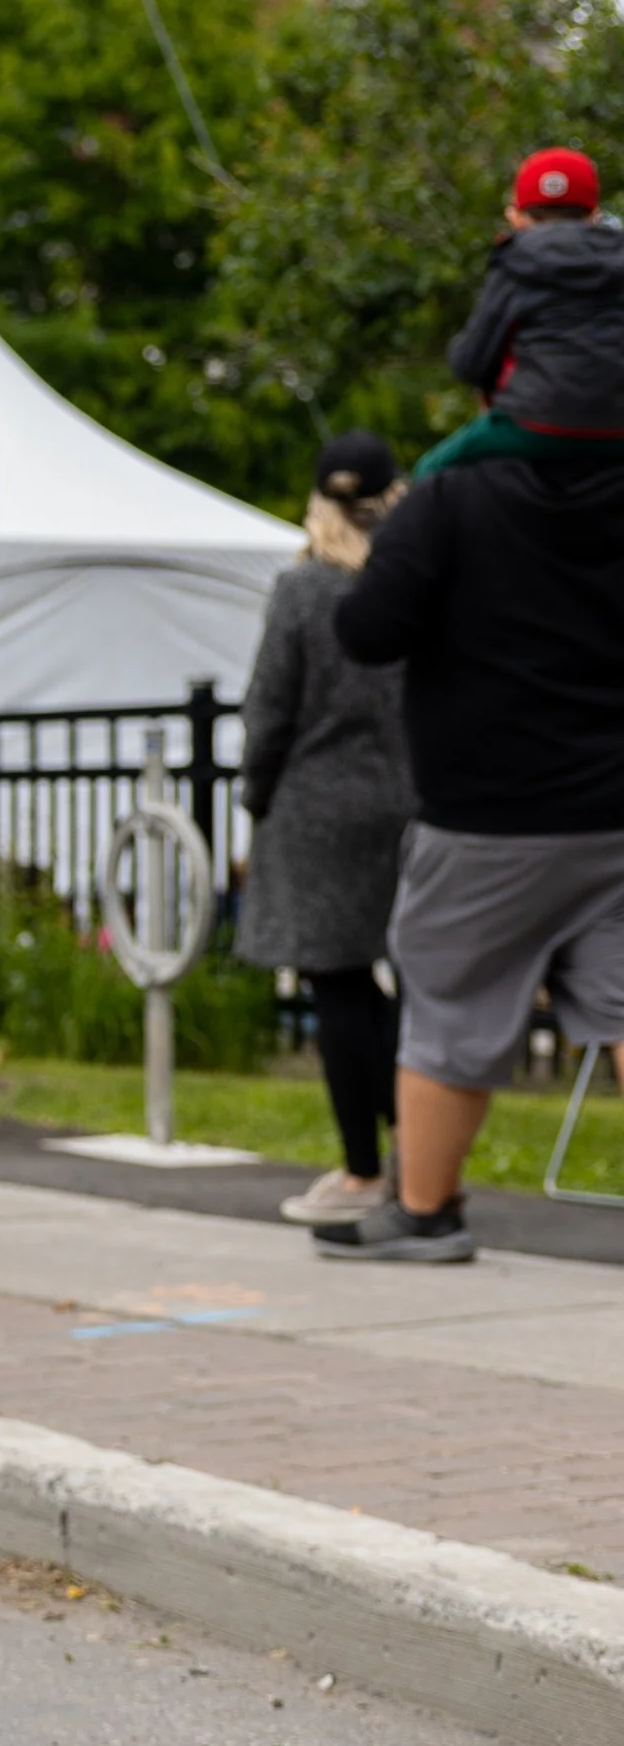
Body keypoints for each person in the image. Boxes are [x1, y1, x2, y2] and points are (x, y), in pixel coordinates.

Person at [323, 397, 624, 1258]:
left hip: (492, 809)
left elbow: (367, 627)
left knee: (450, 998)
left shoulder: (456, 492)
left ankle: (424, 1208)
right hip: (617, 804)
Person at [234, 432, 414, 1226]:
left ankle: (362, 1169)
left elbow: (270, 707)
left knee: (338, 985)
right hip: (412, 804)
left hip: (315, 806)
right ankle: (420, 1151)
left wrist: (256, 793)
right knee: (412, 987)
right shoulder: (418, 584)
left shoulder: (303, 591)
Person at [419, 146, 624, 479]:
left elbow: (471, 363)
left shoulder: (516, 256)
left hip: (537, 426)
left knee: (429, 473)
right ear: (595, 214)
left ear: (516, 216)